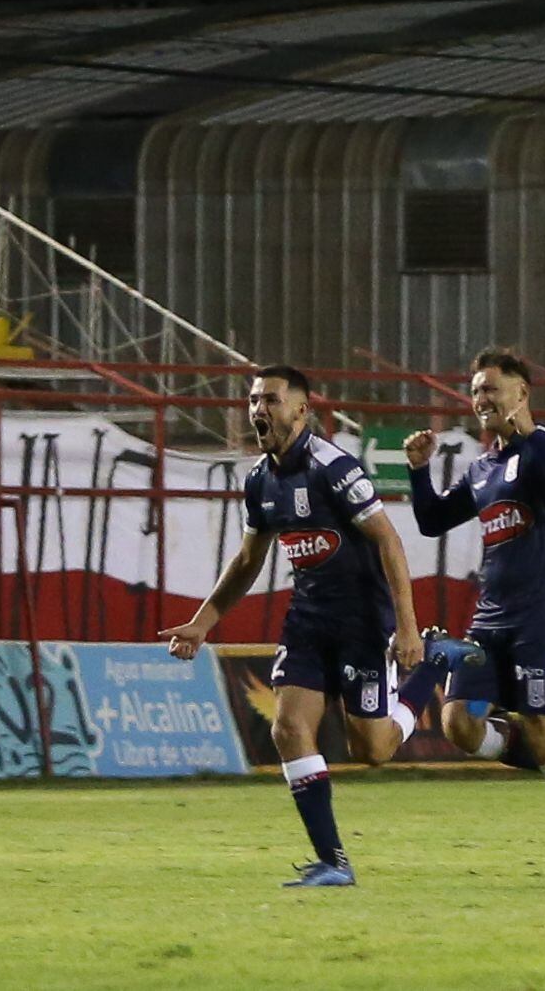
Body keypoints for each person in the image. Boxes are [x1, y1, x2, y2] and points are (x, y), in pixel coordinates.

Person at [161, 365, 448, 888]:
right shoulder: (259, 480)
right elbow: (248, 560)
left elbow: (388, 541)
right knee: (288, 729)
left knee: (373, 751)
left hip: (363, 622)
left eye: (270, 399)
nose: (258, 409)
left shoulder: (333, 468)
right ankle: (334, 863)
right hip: (309, 621)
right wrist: (204, 621)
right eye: (252, 400)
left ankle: (432, 666)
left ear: (301, 409)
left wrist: (406, 627)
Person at [404, 347, 545, 875]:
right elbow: (433, 521)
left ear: (521, 394)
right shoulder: (482, 468)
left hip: (544, 616)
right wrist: (417, 471)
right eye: (475, 391)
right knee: (458, 725)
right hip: (490, 619)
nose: (480, 399)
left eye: (490, 389)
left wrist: (533, 437)